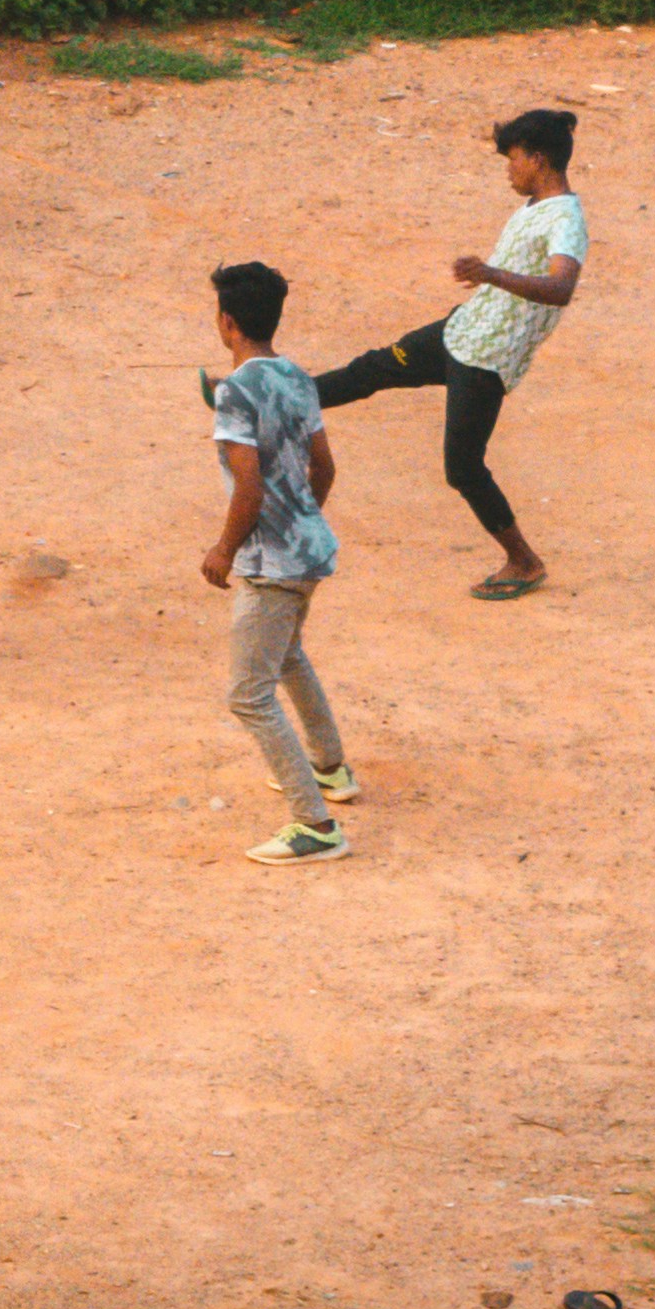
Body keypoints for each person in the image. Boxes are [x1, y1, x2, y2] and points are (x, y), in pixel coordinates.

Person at [316, 108, 588, 597]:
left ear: (539, 159)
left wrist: (490, 275)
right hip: (460, 333)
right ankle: (271, 393)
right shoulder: (535, 205)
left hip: (486, 359)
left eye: (514, 160)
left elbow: (561, 286)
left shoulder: (566, 219)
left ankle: (523, 562)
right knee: (372, 368)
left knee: (463, 467)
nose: (510, 169)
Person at [200, 263, 355, 864]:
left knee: (249, 693)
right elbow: (324, 467)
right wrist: (302, 519)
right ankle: (330, 769)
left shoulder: (235, 392)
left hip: (272, 562)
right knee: (288, 658)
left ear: (227, 323)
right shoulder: (296, 377)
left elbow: (248, 487)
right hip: (310, 549)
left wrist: (223, 550)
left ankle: (314, 823)